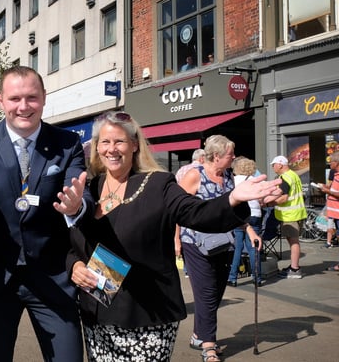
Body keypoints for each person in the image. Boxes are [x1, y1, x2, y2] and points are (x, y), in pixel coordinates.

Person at [66, 115, 280, 362]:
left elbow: (197, 213)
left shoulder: (158, 184)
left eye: (119, 141)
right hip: (98, 312)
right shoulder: (91, 188)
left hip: (147, 314)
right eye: (104, 142)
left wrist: (233, 199)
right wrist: (75, 265)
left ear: (135, 144)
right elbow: (73, 240)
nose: (111, 149)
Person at [0, 65, 93, 362]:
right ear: (1, 100)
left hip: (54, 279)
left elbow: (80, 190)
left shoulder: (68, 143)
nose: (23, 107)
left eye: (32, 97)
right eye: (15, 99)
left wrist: (75, 206)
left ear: (43, 98)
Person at [179, 135, 263, 362]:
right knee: (206, 294)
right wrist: (175, 242)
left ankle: (199, 335)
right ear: (216, 156)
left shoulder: (227, 177)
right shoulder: (194, 175)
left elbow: (232, 209)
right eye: (230, 155)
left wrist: (250, 231)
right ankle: (209, 347)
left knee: (216, 293)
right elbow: (176, 210)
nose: (234, 158)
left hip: (223, 242)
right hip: (195, 243)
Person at [268, 155, 307, 279]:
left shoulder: (284, 178)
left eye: (273, 165)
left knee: (293, 241)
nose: (273, 167)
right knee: (293, 241)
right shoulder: (293, 175)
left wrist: (269, 203)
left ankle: (295, 269)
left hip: (290, 216)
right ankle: (294, 266)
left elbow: (284, 197)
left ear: (280, 164)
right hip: (296, 213)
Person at [227, 157, 264, 287]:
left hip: (239, 216)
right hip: (255, 214)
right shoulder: (254, 181)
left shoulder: (233, 181)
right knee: (254, 247)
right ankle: (257, 277)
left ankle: (232, 277)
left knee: (237, 247)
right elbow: (261, 199)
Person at [175, 148, 206, 277]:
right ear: (202, 158)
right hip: (197, 214)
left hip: (183, 213)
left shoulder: (182, 170)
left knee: (187, 240)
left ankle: (188, 269)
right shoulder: (202, 171)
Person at [320, 152, 339, 249]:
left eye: (331, 162)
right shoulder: (335, 175)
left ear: (336, 163)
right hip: (334, 212)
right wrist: (325, 188)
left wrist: (328, 191)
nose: (329, 164)